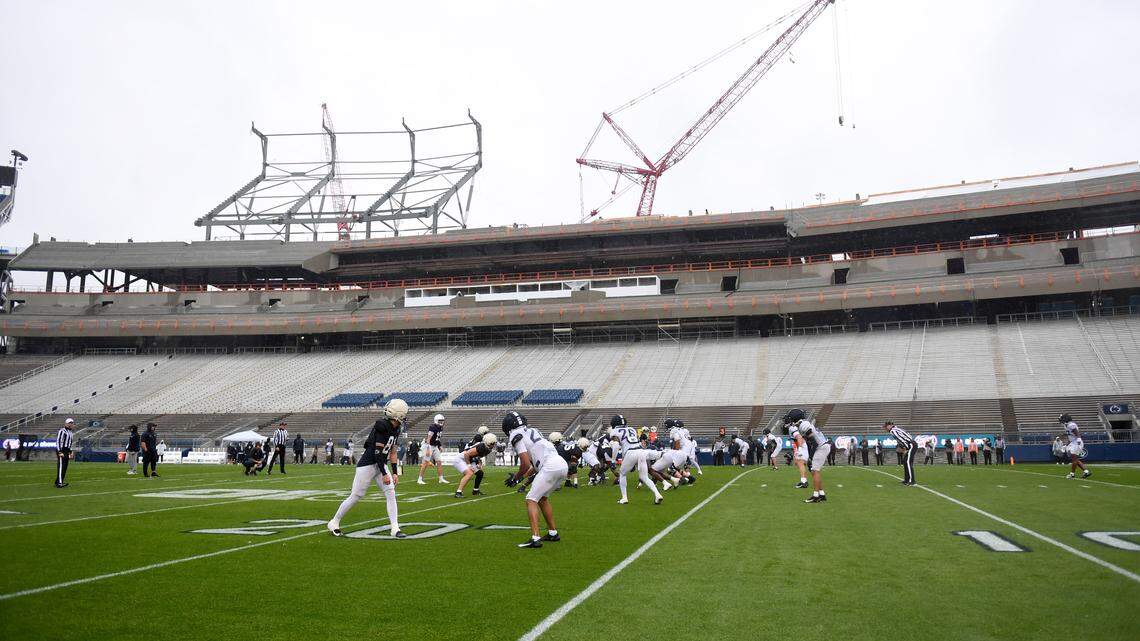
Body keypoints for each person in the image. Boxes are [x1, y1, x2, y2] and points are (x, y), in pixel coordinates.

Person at [327, 399, 409, 538]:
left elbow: (393, 452)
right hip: (368, 464)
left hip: (381, 463)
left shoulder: (396, 428)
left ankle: (395, 528)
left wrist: (395, 473)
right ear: (399, 414)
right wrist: (384, 473)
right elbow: (377, 452)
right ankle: (334, 522)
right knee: (356, 495)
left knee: (390, 493)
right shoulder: (382, 426)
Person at [502, 411, 569, 548]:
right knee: (542, 498)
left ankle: (535, 538)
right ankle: (552, 533)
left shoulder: (515, 434)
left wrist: (516, 477)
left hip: (550, 466)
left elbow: (526, 464)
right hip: (561, 464)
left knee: (531, 499)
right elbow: (534, 465)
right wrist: (519, 478)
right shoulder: (533, 430)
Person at [610, 415, 663, 505]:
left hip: (630, 453)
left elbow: (615, 446)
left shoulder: (614, 431)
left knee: (622, 474)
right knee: (644, 477)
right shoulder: (632, 429)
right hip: (640, 451)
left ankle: (624, 498)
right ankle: (657, 495)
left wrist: (613, 460)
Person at [785, 409, 832, 503]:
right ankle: (821, 494)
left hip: (821, 447)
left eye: (790, 418)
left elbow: (813, 442)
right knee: (815, 471)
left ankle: (816, 496)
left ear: (794, 418)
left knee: (815, 471)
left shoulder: (803, 425)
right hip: (822, 446)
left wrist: (811, 456)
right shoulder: (803, 424)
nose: (790, 420)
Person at [454, 426, 493, 497]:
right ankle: (458, 492)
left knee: (480, 473)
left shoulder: (486, 447)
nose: (492, 445)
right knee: (469, 473)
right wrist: (469, 465)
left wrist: (479, 463)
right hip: (461, 459)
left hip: (469, 458)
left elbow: (477, 455)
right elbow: (467, 454)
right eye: (491, 443)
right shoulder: (480, 444)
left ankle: (475, 490)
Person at [417, 414, 449, 485]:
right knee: (425, 463)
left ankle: (441, 479)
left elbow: (437, 439)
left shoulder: (440, 428)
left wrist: (440, 446)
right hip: (428, 446)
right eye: (440, 421)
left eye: (442, 421)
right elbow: (428, 439)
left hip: (435, 446)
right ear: (436, 420)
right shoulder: (432, 427)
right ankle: (419, 479)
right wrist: (428, 449)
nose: (441, 422)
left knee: (439, 462)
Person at [1059, 413, 1092, 479]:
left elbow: (1077, 432)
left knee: (1074, 459)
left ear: (1066, 419)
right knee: (1075, 459)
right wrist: (1066, 445)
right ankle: (1086, 471)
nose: (1061, 420)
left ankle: (1072, 474)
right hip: (1073, 442)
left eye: (1062, 418)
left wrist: (1079, 438)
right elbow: (1071, 437)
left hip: (1077, 442)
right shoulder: (1066, 425)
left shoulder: (1071, 425)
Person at [887, 421, 917, 486]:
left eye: (887, 426)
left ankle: (912, 481)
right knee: (905, 462)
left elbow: (901, 439)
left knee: (908, 462)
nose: (886, 428)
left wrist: (906, 448)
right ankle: (906, 480)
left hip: (910, 445)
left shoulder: (893, 431)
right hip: (911, 443)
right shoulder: (897, 429)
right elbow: (908, 435)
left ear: (890, 425)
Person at [54, 418, 75, 488]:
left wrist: (71, 451)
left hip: (66, 450)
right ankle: (59, 483)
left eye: (72, 423)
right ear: (66, 424)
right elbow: (58, 441)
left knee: (64, 467)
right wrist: (59, 451)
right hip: (62, 450)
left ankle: (59, 481)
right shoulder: (62, 431)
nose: (71, 424)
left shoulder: (71, 433)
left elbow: (69, 444)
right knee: (61, 467)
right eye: (69, 423)